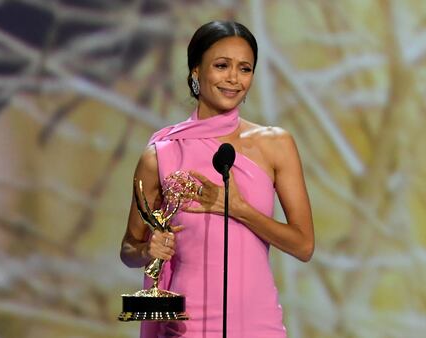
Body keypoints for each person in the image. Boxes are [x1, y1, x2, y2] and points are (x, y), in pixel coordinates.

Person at [120, 20, 314, 338]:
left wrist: (238, 208)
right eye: (222, 66)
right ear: (196, 71)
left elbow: (304, 245)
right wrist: (146, 250)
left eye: (245, 68)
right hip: (185, 323)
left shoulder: (275, 144)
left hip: (257, 322)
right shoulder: (161, 154)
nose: (234, 79)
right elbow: (129, 247)